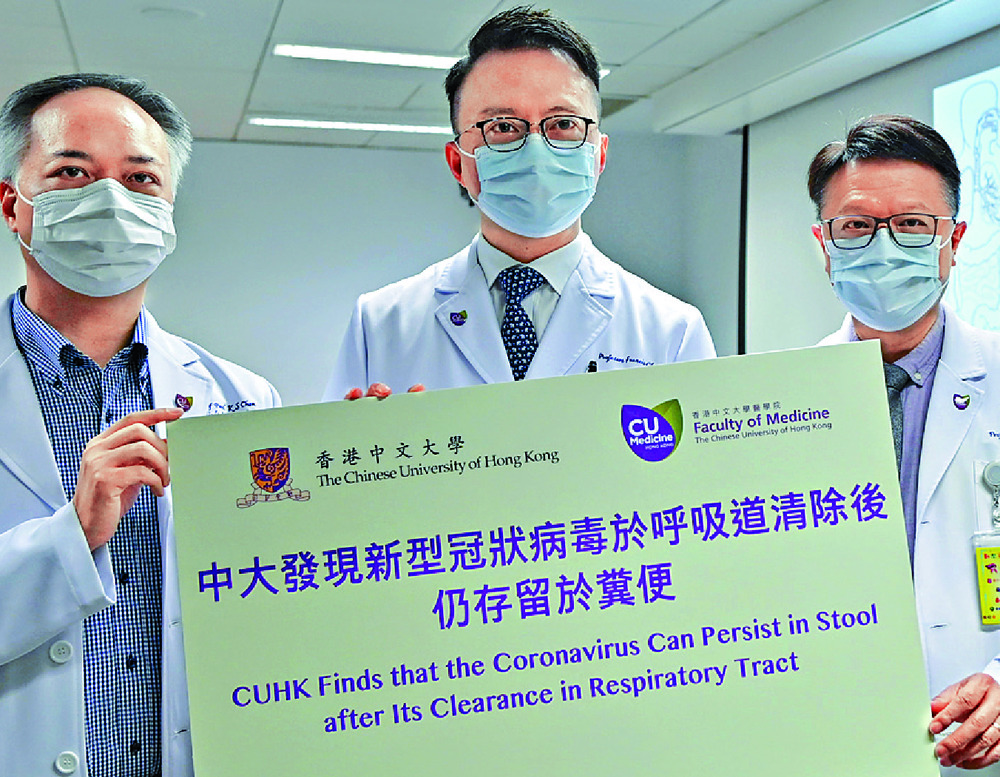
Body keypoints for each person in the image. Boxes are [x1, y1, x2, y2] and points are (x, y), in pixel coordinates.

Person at [0, 74, 279, 777]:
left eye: (140, 179)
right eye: (72, 172)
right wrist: (74, 534)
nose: (112, 201)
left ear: (170, 209)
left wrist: (379, 474)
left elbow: (282, 600)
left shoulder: (241, 398)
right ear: (12, 203)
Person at [324, 6, 714, 400]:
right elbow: (334, 455)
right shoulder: (380, 323)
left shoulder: (672, 331)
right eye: (503, 127)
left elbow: (707, 462)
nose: (536, 149)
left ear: (598, 155)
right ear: (459, 163)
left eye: (563, 123)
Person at [809, 114, 1000, 773]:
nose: (885, 247)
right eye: (858, 225)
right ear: (824, 244)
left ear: (956, 241)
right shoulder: (776, 405)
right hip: (828, 733)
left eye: (914, 224)